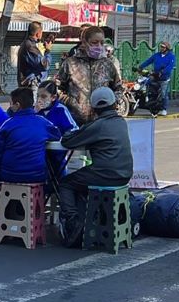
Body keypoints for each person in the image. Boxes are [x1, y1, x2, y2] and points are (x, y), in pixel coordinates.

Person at [56, 87, 132, 247]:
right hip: (124, 175)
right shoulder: (120, 122)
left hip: (105, 174)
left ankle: (73, 221)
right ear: (114, 104)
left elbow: (68, 141)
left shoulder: (98, 125)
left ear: (94, 108)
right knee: (82, 181)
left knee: (66, 183)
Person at [0, 87, 61, 185]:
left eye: (11, 104)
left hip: (9, 175)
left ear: (17, 105)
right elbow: (57, 134)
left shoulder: (7, 125)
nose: (10, 107)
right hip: (37, 176)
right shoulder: (43, 123)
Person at [55, 25, 126, 126]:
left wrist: (111, 103)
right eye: (94, 43)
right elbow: (57, 88)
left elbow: (119, 88)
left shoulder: (107, 64)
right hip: (75, 122)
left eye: (101, 43)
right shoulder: (70, 64)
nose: (99, 46)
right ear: (84, 42)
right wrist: (71, 102)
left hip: (102, 122)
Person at [138, 41, 176, 116]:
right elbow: (148, 61)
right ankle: (146, 99)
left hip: (164, 78)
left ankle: (164, 109)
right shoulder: (157, 55)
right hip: (155, 75)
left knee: (163, 93)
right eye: (161, 46)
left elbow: (170, 67)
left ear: (167, 48)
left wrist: (162, 72)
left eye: (163, 47)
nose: (161, 48)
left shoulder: (171, 57)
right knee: (145, 83)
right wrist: (141, 67)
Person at [17, 21, 46, 88]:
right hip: (30, 84)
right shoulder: (30, 46)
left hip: (29, 83)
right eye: (42, 32)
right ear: (38, 34)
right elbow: (44, 66)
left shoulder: (28, 44)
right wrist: (47, 51)